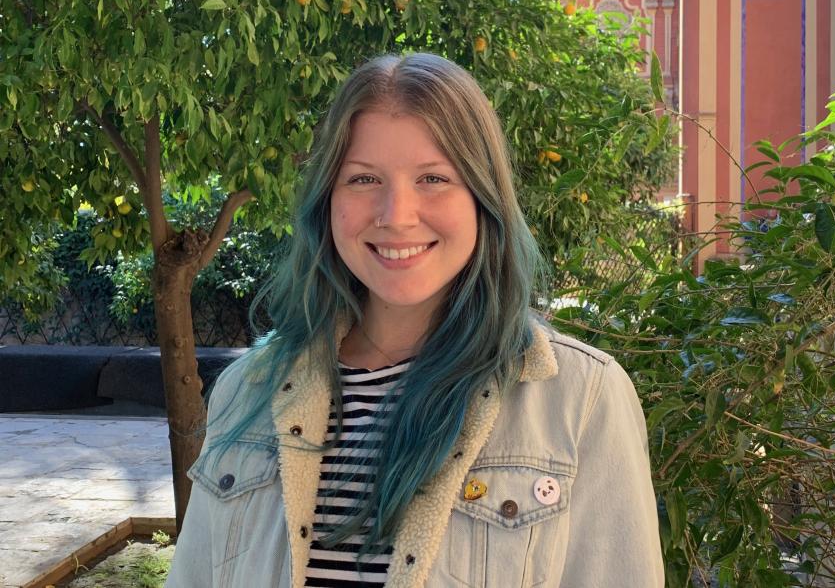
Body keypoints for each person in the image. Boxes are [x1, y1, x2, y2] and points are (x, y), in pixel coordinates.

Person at [165, 53, 664, 587]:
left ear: (482, 197)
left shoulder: (582, 398)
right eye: (362, 179)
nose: (396, 215)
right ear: (327, 200)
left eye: (432, 177)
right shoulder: (247, 391)